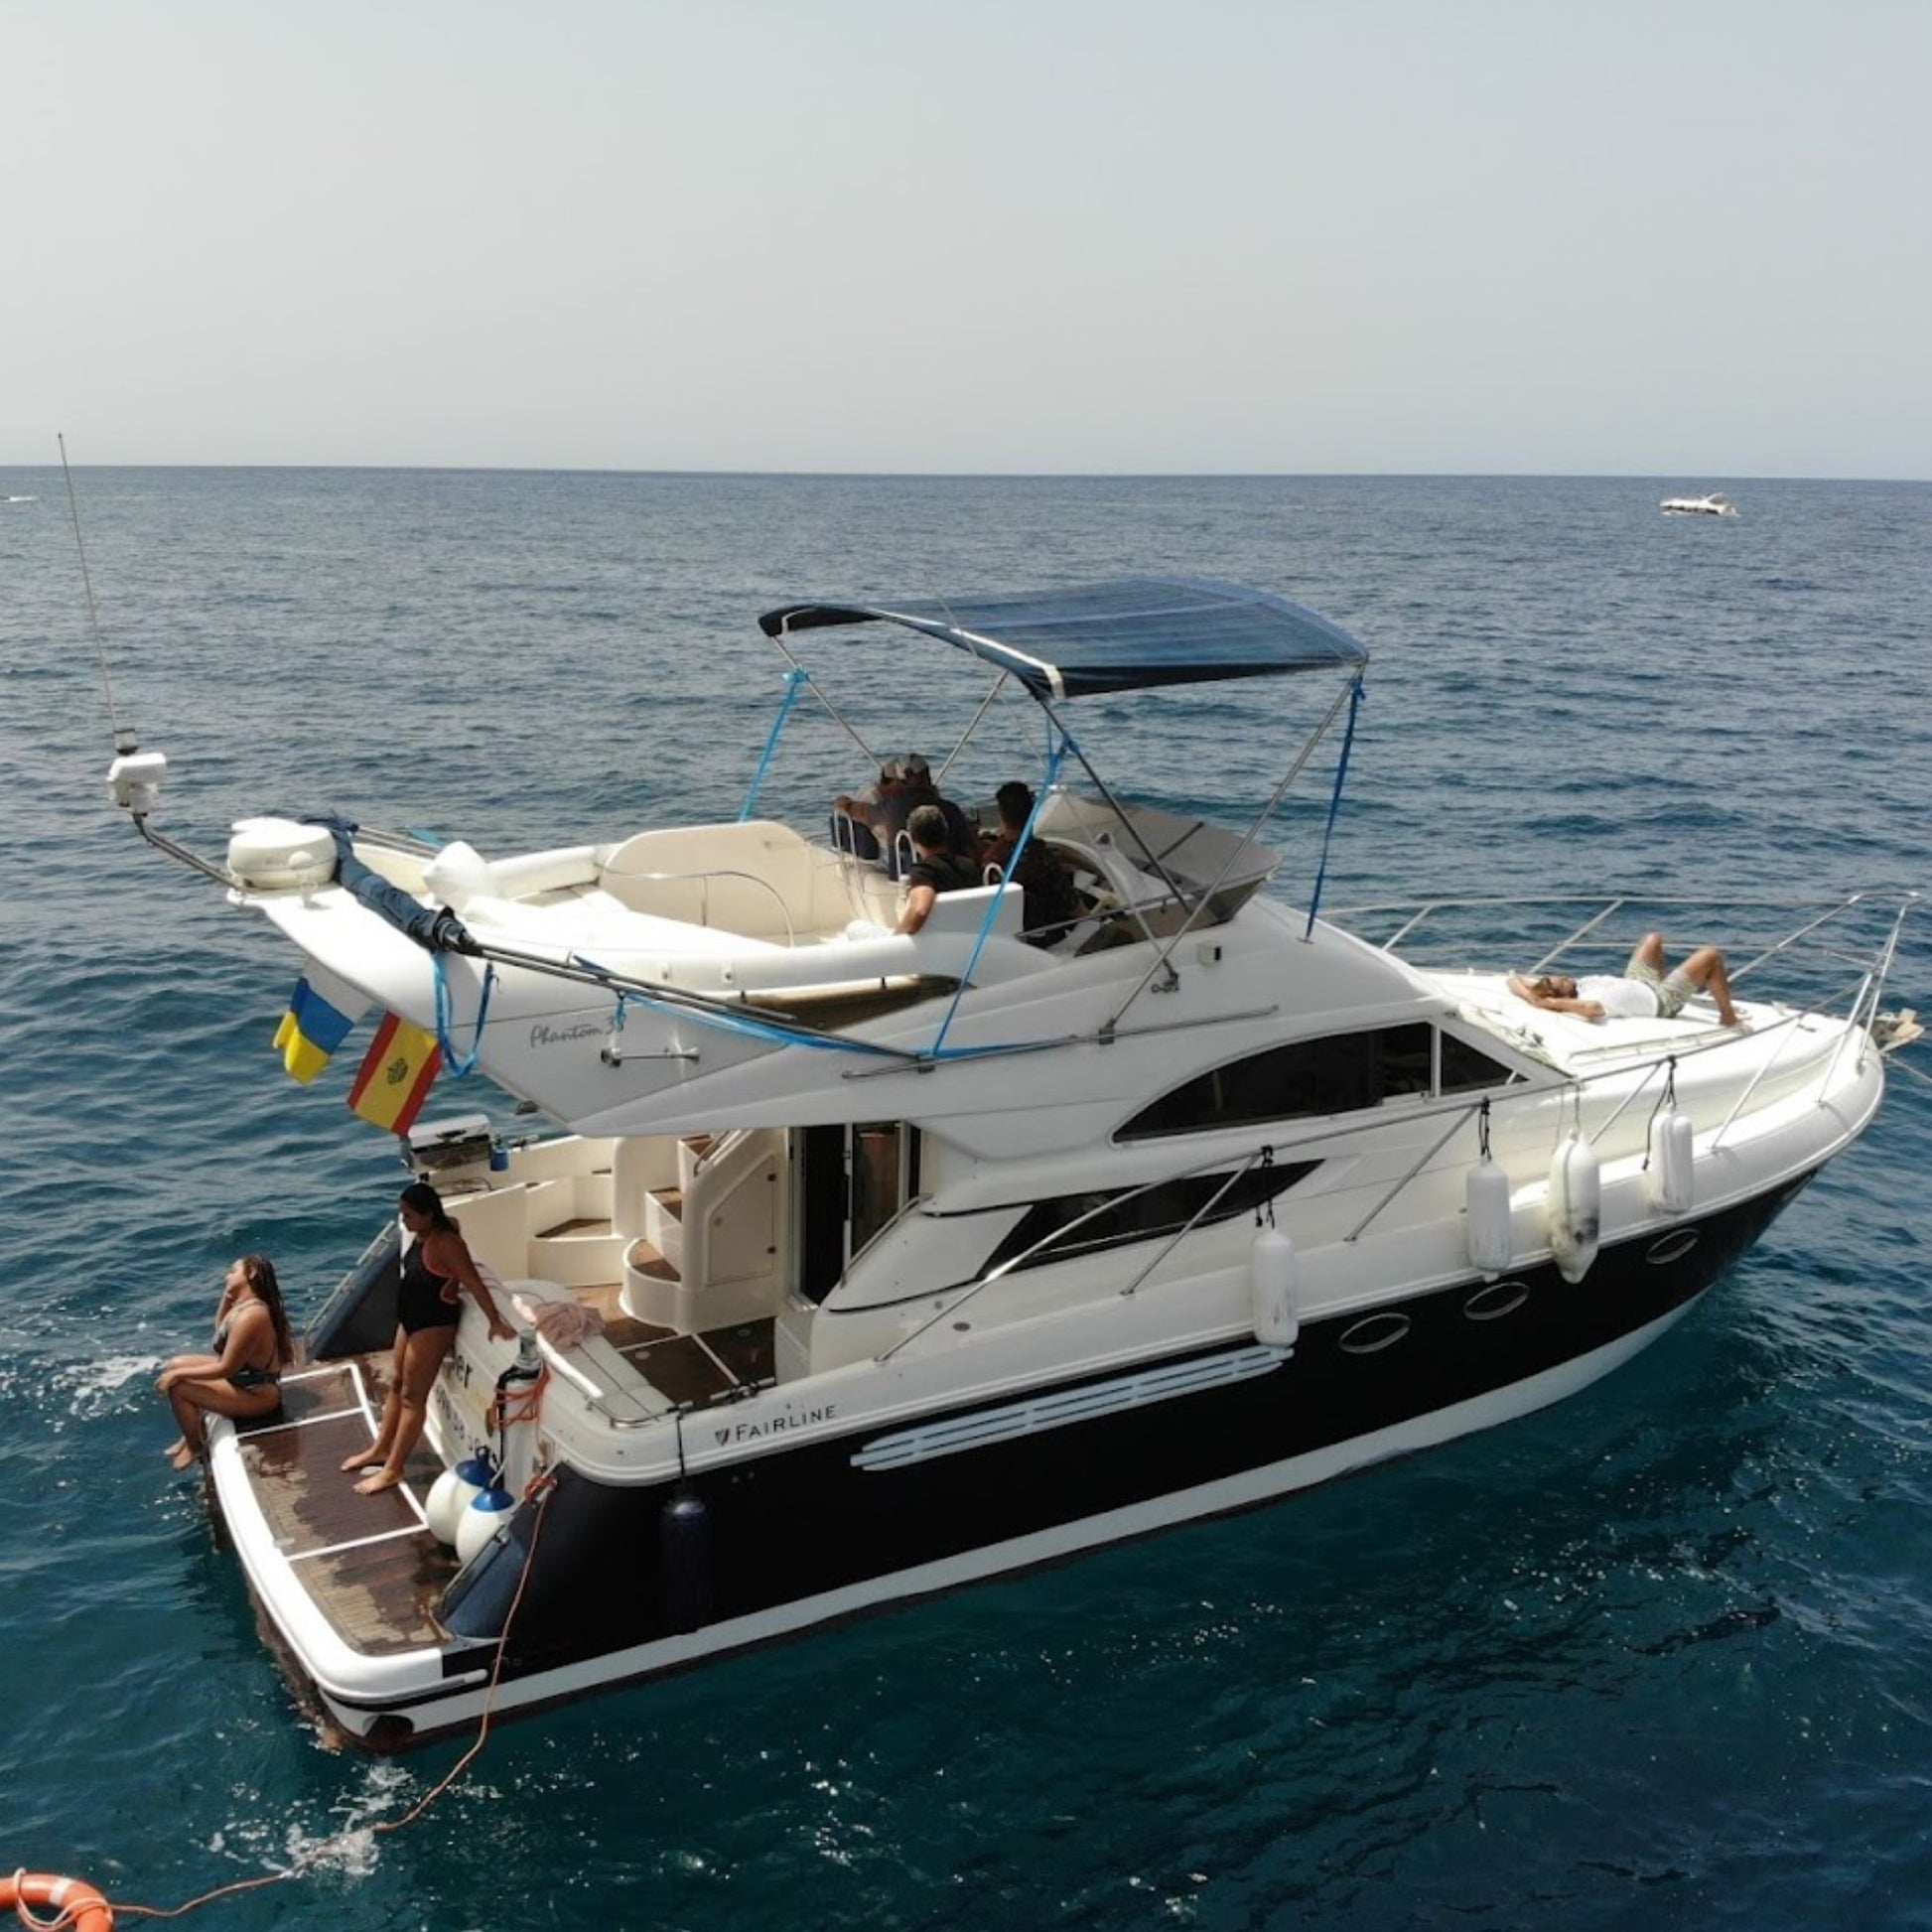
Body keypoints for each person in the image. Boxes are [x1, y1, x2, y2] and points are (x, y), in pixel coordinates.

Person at [341, 1179, 515, 1496]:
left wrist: (495, 1321)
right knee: (396, 1384)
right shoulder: (422, 1235)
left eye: (408, 1215)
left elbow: (473, 1283)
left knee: (412, 1396)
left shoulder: (446, 1243)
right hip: (410, 1319)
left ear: (428, 1215)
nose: (403, 1221)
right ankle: (380, 1449)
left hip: (433, 1324)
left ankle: (394, 1469)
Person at [158, 1254, 295, 1471]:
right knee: (176, 1363)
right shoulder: (243, 1306)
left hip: (258, 1394)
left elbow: (226, 1367)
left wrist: (178, 1376)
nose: (226, 1276)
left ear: (251, 1274)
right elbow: (221, 1329)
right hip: (242, 1379)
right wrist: (228, 1295)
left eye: (233, 1272)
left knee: (179, 1387)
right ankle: (192, 1431)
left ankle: (195, 1446)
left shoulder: (252, 1316)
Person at [1509, 932, 1741, 1027]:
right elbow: (1591, 1008)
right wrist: (1550, 1004)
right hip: (1661, 1001)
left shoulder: (1571, 989)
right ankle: (1728, 1017)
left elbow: (1512, 980)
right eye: (1564, 982)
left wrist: (1533, 996)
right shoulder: (1588, 1000)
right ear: (1565, 996)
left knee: (1652, 939)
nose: (1566, 977)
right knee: (1710, 956)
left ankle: (1679, 981)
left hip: (1640, 981)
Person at [982, 779, 1084, 946]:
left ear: (1001, 815)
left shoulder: (991, 857)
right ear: (1033, 814)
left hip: (1007, 935)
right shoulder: (1041, 859)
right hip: (1045, 939)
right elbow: (1075, 909)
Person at [897, 803, 981, 933]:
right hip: (969, 934)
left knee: (856, 927)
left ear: (913, 838)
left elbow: (920, 910)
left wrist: (896, 939)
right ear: (945, 832)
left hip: (934, 941)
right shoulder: (970, 865)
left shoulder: (924, 872)